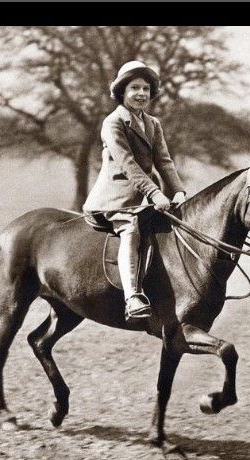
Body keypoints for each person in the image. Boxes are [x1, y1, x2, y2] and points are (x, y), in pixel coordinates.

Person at [83, 61, 186, 321]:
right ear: (122, 92)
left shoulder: (153, 123)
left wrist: (178, 191)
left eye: (146, 88)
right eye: (134, 88)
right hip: (115, 199)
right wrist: (155, 194)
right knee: (131, 229)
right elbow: (128, 164)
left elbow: (164, 161)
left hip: (147, 196)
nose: (141, 93)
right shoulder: (113, 122)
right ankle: (133, 297)